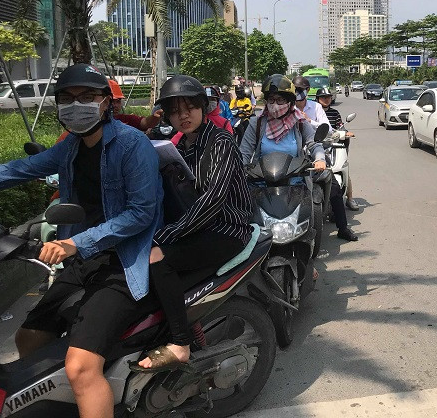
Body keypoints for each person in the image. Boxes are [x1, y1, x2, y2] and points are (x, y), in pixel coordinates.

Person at [0, 63, 162, 418]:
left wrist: (74, 243)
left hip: (125, 260)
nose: (76, 105)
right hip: (84, 259)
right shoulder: (70, 147)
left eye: (87, 97)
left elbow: (141, 213)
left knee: (81, 367)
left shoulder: (133, 145)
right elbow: (20, 169)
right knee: (29, 338)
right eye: (67, 98)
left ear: (105, 104)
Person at [138, 76, 252, 370]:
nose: (183, 116)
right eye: (175, 111)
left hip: (227, 228)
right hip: (199, 227)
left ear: (203, 107)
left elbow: (213, 200)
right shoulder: (181, 146)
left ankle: (180, 342)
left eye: (189, 107)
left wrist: (170, 234)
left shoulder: (221, 142)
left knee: (156, 258)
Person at [240, 75, 358, 242]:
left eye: (280, 100)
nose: (275, 105)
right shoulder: (257, 123)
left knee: (327, 193)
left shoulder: (300, 122)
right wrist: (239, 167)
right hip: (261, 181)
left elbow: (314, 144)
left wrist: (319, 159)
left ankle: (317, 246)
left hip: (295, 180)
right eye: (271, 99)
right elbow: (244, 152)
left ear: (289, 101)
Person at [315, 88, 360, 211]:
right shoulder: (313, 112)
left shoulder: (334, 113)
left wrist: (346, 133)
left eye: (328, 97)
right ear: (318, 99)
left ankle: (350, 198)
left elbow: (341, 127)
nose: (326, 99)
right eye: (323, 97)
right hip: (317, 146)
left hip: (333, 145)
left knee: (343, 168)